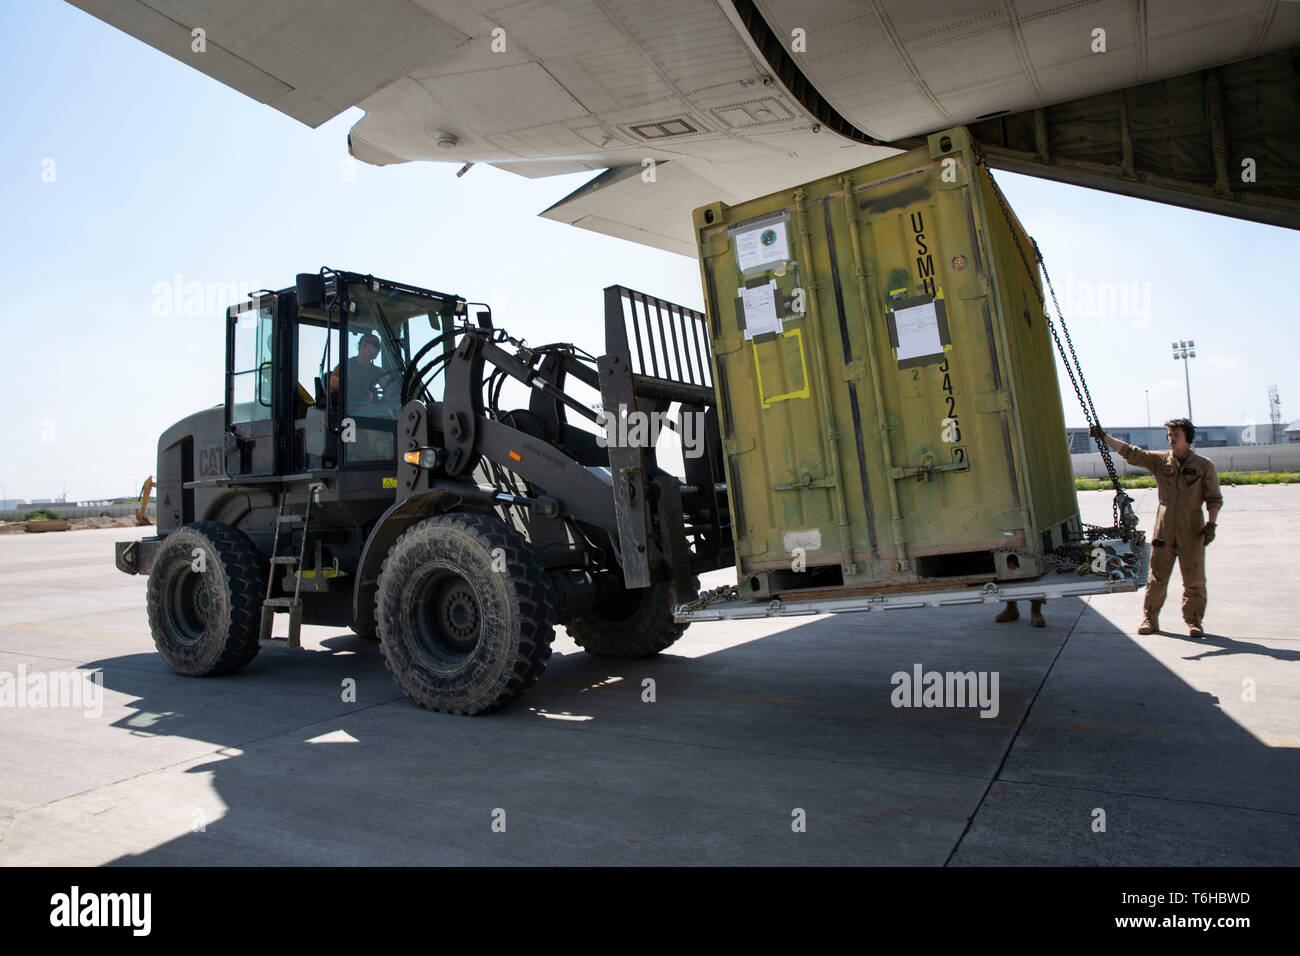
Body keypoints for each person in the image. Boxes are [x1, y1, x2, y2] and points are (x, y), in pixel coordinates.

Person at [1090, 419, 1222, 638]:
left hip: (1192, 528)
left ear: (1187, 437)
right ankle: (1150, 619)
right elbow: (1132, 453)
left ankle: (1194, 621)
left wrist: (1211, 524)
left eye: (1175, 435)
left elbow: (1214, 499)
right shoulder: (1161, 461)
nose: (1171, 438)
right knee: (1156, 577)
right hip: (1165, 528)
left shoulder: (1203, 465)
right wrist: (1105, 437)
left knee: (1194, 579)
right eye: (1169, 435)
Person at [330, 332, 392, 408]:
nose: (379, 350)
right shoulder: (345, 365)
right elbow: (332, 384)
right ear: (364, 345)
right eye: (376, 346)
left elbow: (390, 388)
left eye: (380, 347)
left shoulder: (377, 371)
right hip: (348, 409)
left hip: (366, 410)